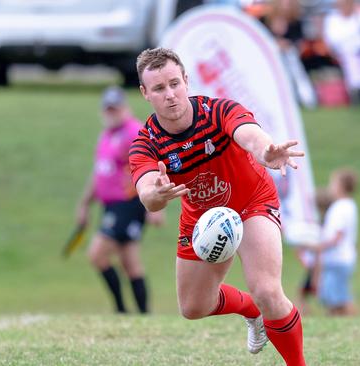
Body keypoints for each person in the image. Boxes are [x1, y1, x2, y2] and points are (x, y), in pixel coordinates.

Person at [129, 48, 307, 365]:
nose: (170, 95)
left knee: (267, 290)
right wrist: (156, 194)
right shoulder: (146, 142)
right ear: (145, 93)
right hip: (202, 219)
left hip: (252, 202)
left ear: (186, 80)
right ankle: (250, 310)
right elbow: (147, 194)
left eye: (174, 83)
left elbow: (250, 135)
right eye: (158, 88)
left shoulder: (217, 111)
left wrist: (266, 151)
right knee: (193, 307)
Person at [76, 86, 163, 314]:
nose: (111, 112)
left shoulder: (134, 132)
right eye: (107, 108)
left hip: (128, 203)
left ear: (125, 107)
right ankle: (144, 315)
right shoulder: (106, 135)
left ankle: (121, 310)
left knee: (97, 254)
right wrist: (85, 203)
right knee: (130, 262)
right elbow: (100, 173)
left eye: (116, 108)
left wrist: (155, 205)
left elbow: (150, 164)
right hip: (110, 206)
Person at [311, 169, 358, 316]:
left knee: (339, 298)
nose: (330, 187)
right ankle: (335, 317)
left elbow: (337, 236)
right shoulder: (346, 205)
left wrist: (320, 246)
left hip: (338, 259)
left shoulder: (341, 207)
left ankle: (348, 319)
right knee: (332, 296)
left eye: (333, 183)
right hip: (338, 259)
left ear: (341, 186)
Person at [294, 187, 333, 315]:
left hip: (318, 265)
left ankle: (306, 315)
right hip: (317, 264)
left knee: (308, 294)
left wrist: (304, 246)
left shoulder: (325, 222)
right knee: (304, 293)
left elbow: (319, 249)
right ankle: (308, 315)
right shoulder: (324, 220)